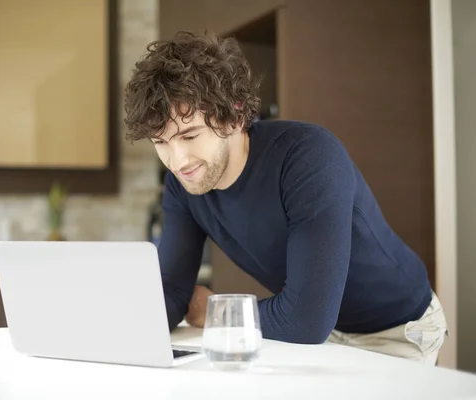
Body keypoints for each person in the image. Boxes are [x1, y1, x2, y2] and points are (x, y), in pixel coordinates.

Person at [123, 31, 448, 365]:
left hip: (394, 329)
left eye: (189, 135)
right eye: (160, 142)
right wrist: (118, 329)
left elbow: (306, 319)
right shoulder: (184, 185)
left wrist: (217, 312)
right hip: (323, 333)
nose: (178, 161)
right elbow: (173, 291)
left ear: (234, 117)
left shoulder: (308, 157)